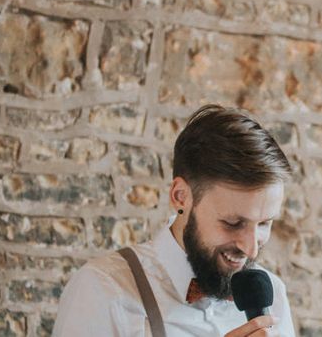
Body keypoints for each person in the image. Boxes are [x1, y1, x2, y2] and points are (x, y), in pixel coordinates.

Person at [53, 104, 295, 336]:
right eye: (233, 223)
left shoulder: (274, 295)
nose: (250, 248)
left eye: (264, 223)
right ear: (181, 197)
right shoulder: (103, 290)